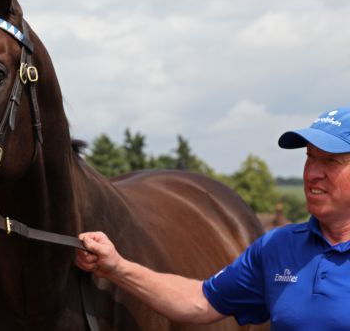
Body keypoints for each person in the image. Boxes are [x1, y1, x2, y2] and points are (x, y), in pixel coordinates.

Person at [76, 106, 350, 329]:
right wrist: (117, 266)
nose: (312, 172)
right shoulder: (277, 247)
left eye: (330, 161)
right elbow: (198, 301)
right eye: (310, 158)